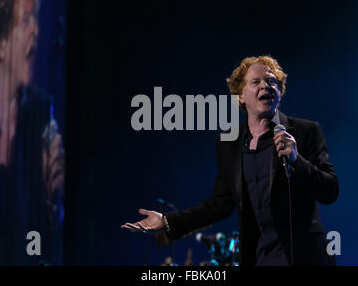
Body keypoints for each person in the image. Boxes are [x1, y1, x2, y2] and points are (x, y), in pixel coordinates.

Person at [122, 55, 339, 266]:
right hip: (258, 258)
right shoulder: (229, 144)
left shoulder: (305, 132)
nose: (266, 86)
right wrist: (167, 221)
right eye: (256, 82)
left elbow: (330, 191)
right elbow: (218, 206)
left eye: (272, 81)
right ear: (241, 96)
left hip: (304, 258)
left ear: (279, 93)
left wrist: (297, 161)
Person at [0, 0, 64, 265]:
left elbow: (47, 242)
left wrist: (55, 200)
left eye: (36, 19)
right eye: (26, 20)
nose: (36, 30)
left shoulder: (41, 114)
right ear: (0, 43)